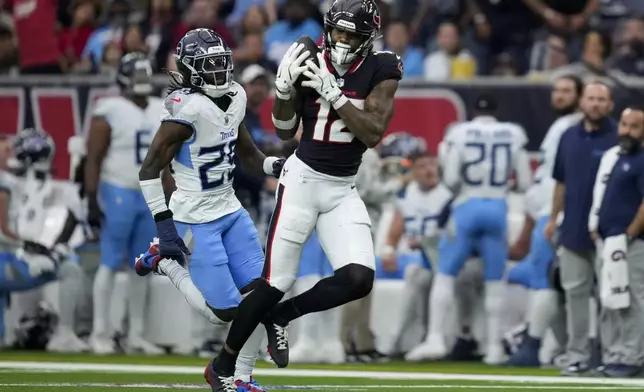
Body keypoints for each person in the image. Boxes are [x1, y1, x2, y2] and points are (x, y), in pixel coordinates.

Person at [206, 0, 403, 389]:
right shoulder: (308, 54)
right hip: (302, 181)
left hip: (342, 187)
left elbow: (373, 133)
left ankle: (282, 316)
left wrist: (338, 97)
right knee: (274, 281)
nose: (345, 41)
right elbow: (283, 130)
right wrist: (283, 90)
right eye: (340, 32)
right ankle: (222, 365)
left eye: (354, 35)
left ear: (368, 39)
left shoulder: (383, 68)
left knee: (358, 278)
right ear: (328, 30)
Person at [135, 28, 284, 392]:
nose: (218, 72)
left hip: (230, 209)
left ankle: (242, 377)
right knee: (223, 314)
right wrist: (165, 226)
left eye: (221, 63)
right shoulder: (184, 107)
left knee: (259, 295)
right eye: (208, 65)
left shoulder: (236, 94)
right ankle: (164, 261)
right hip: (195, 216)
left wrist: (273, 166)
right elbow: (150, 170)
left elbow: (245, 150)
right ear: (188, 70)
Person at [422, 95, 533, 365]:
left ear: (473, 111)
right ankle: (494, 347)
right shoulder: (513, 133)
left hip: (467, 206)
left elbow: (450, 178)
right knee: (495, 282)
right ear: (496, 111)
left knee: (446, 274)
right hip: (497, 207)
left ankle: (435, 337)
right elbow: (524, 182)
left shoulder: (459, 133)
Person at [84, 52, 165, 355]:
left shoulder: (160, 108)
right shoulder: (110, 109)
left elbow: (167, 160)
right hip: (117, 189)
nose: (142, 82)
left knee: (142, 265)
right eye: (137, 75)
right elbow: (93, 158)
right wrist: (92, 199)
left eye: (145, 75)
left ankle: (136, 334)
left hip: (149, 192)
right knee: (108, 261)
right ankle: (100, 332)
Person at [506, 75, 584, 367]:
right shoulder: (561, 127)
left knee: (546, 282)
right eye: (558, 91)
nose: (560, 96)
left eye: (567, 91)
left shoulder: (574, 129)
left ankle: (533, 345)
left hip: (555, 216)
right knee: (551, 285)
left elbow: (563, 179)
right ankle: (559, 348)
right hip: (545, 214)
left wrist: (555, 216)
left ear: (579, 96)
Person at [544, 81, 617, 376]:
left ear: (610, 105)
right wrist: (553, 217)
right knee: (575, 295)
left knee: (611, 297)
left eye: (602, 99)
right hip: (573, 229)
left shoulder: (619, 137)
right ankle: (577, 355)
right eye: (591, 98)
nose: (596, 104)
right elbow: (560, 182)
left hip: (609, 231)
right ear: (582, 102)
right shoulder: (568, 136)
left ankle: (612, 355)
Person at [0, 129, 86, 352]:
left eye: (15, 152)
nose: (11, 157)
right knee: (69, 269)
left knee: (70, 266)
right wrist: (27, 249)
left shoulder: (50, 188)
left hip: (18, 259)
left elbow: (73, 217)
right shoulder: (8, 184)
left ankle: (62, 334)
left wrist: (50, 252)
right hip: (9, 259)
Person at [590, 105, 644, 378]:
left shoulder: (642, 159)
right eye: (624, 125)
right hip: (610, 240)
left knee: (632, 299)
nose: (627, 132)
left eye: (635, 127)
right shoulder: (617, 158)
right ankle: (614, 356)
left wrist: (631, 234)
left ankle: (633, 357)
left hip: (630, 243)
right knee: (611, 299)